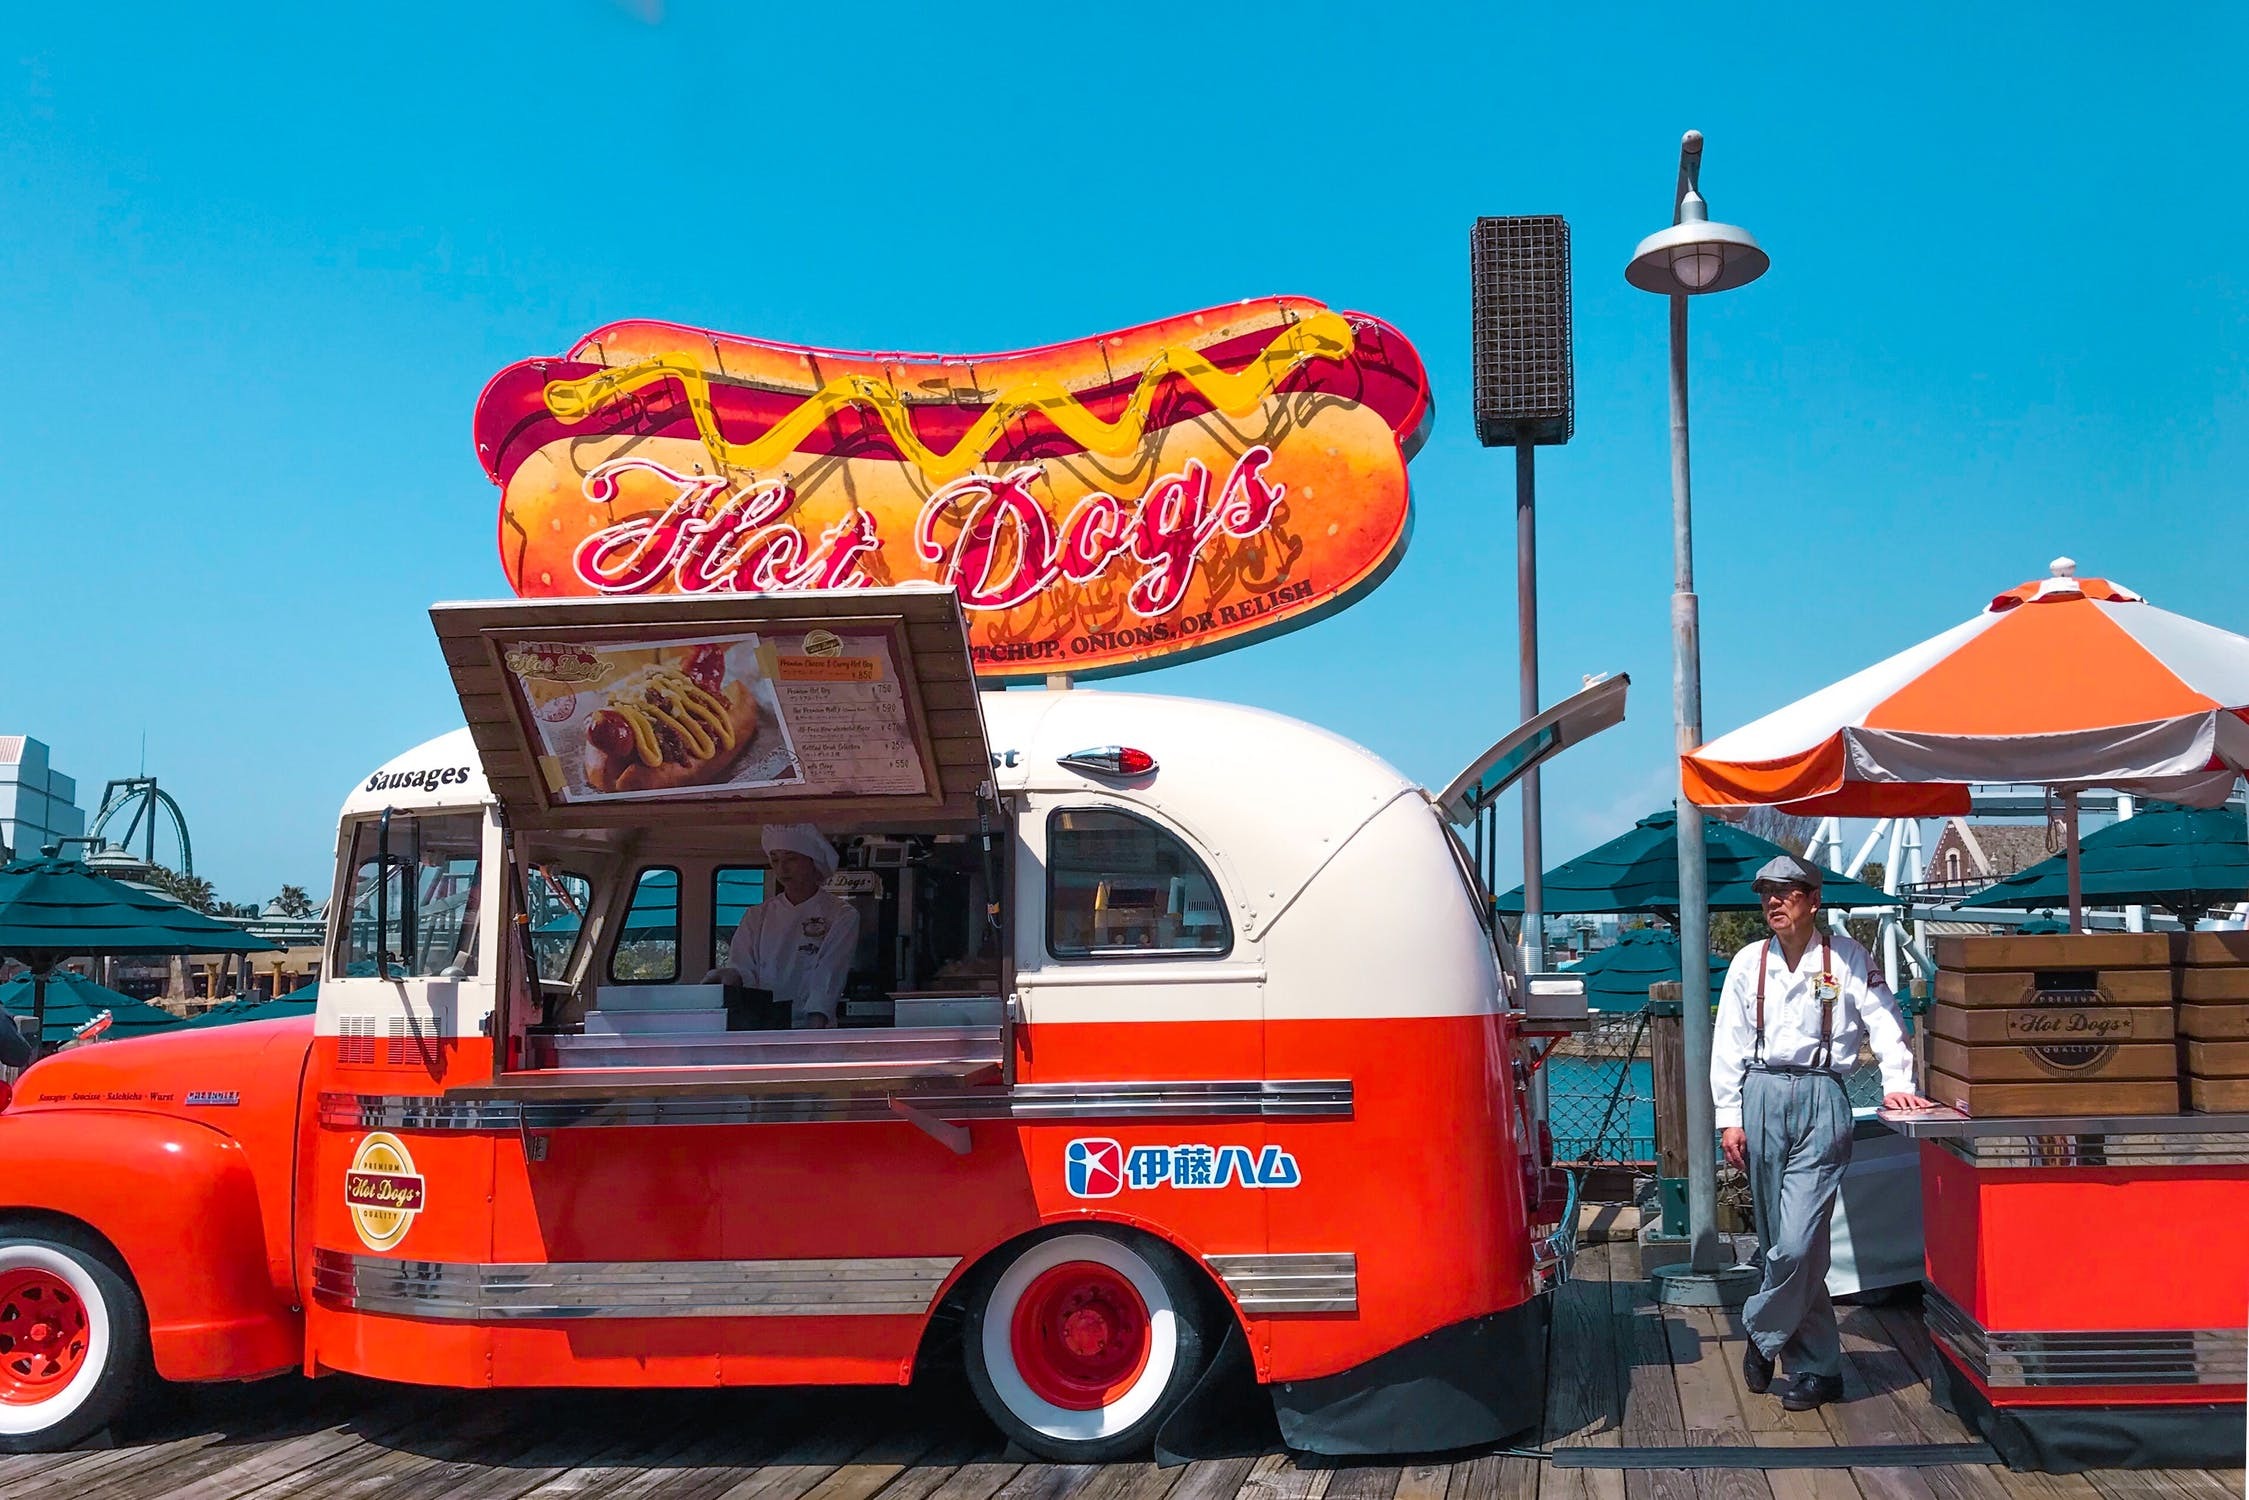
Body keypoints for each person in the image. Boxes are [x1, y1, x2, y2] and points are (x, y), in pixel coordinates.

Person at [1711, 854, 1933, 1413]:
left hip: (1821, 1096)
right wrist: (1729, 1115)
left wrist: (1897, 1082)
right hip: (1759, 1095)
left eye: (1786, 892)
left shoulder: (1849, 957)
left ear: (1813, 899)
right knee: (1776, 1239)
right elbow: (1728, 1042)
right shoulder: (1747, 962)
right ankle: (1818, 1370)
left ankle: (1763, 1333)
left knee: (1799, 1239)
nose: (1773, 902)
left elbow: (1885, 1018)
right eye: (1766, 893)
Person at [701, 823, 859, 1029]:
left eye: (791, 859)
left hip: (810, 1024)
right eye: (775, 859)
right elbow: (743, 968)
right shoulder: (757, 915)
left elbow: (829, 973)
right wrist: (729, 976)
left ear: (813, 862)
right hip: (761, 1024)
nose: (782, 868)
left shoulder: (841, 914)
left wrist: (815, 1026)